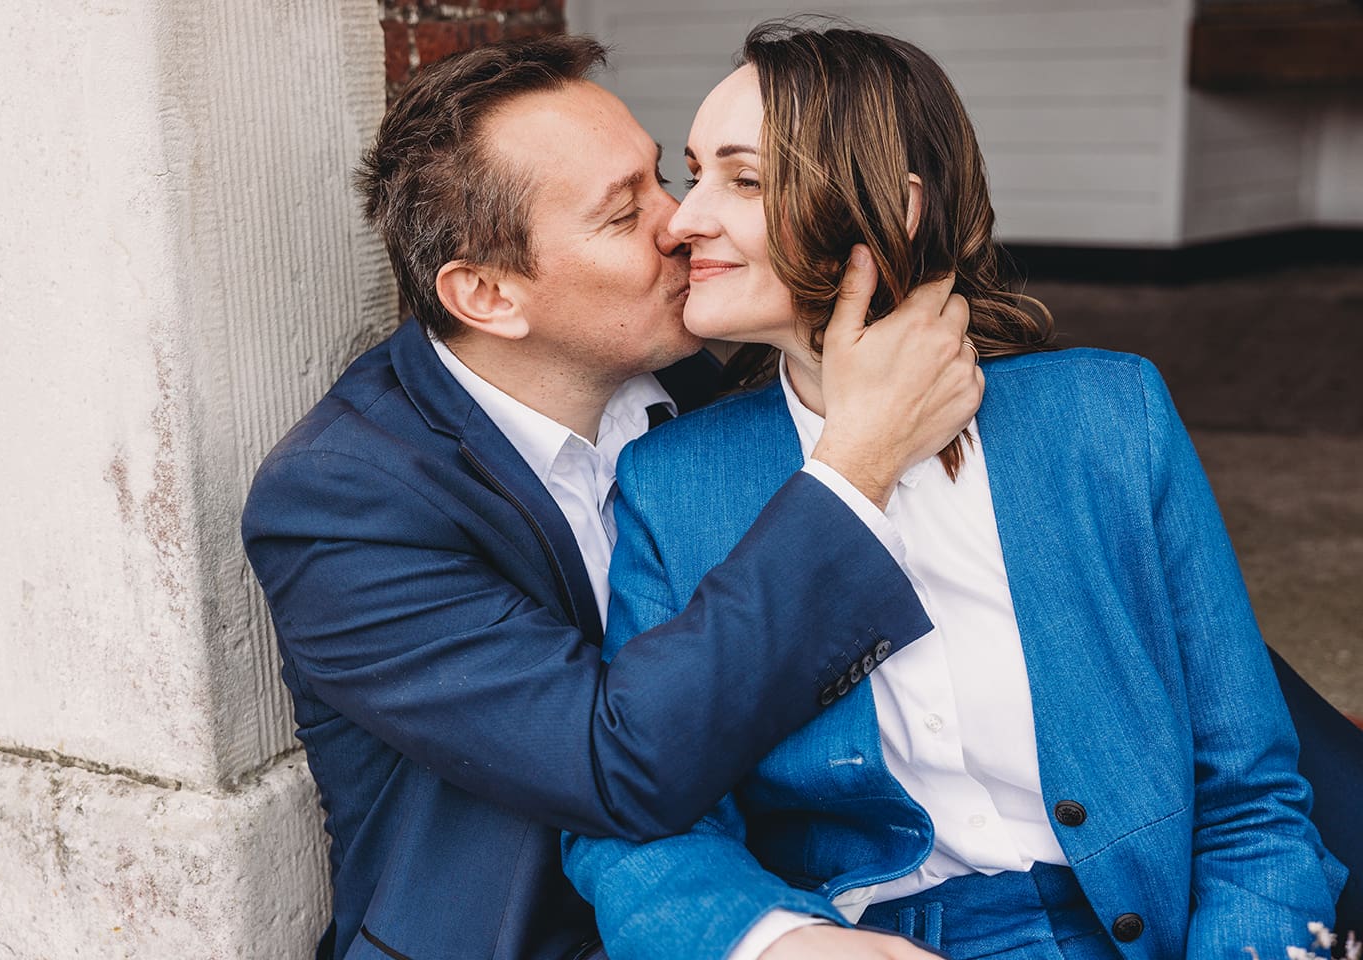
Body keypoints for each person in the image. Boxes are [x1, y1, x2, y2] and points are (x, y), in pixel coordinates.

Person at [561, 22, 1350, 960]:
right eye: (695, 176)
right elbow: (646, 815)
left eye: (746, 180)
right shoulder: (675, 481)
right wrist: (779, 942)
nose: (682, 221)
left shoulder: (1106, 418)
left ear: (893, 208)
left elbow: (1251, 798)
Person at [241, 35, 988, 960]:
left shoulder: (704, 385)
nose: (681, 224)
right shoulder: (341, 503)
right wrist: (858, 463)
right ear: (487, 295)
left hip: (766, 897)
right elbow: (614, 762)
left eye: (663, 179)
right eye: (625, 212)